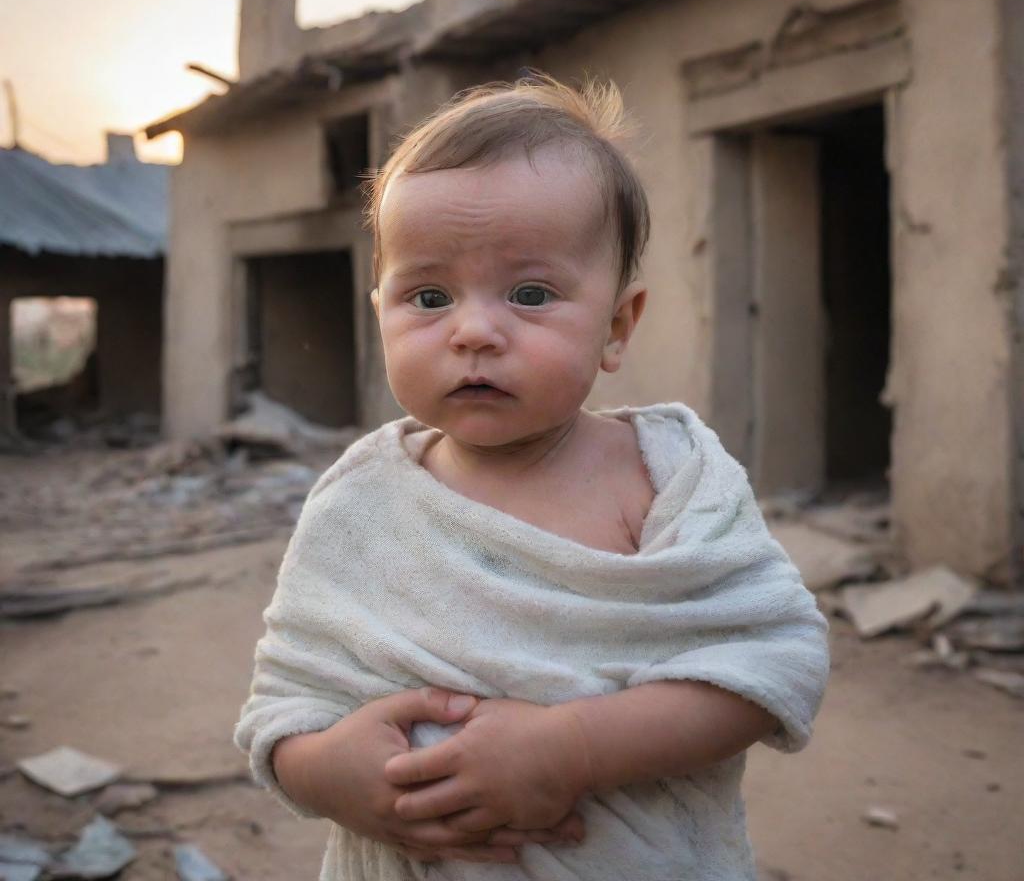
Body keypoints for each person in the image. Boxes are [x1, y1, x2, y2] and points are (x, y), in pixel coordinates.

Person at [234, 74, 829, 880]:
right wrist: (331, 772)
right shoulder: (359, 502)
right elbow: (284, 704)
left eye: (531, 293)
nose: (474, 330)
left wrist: (572, 749)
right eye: (430, 295)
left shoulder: (670, 477)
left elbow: (775, 659)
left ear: (617, 327)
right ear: (380, 312)